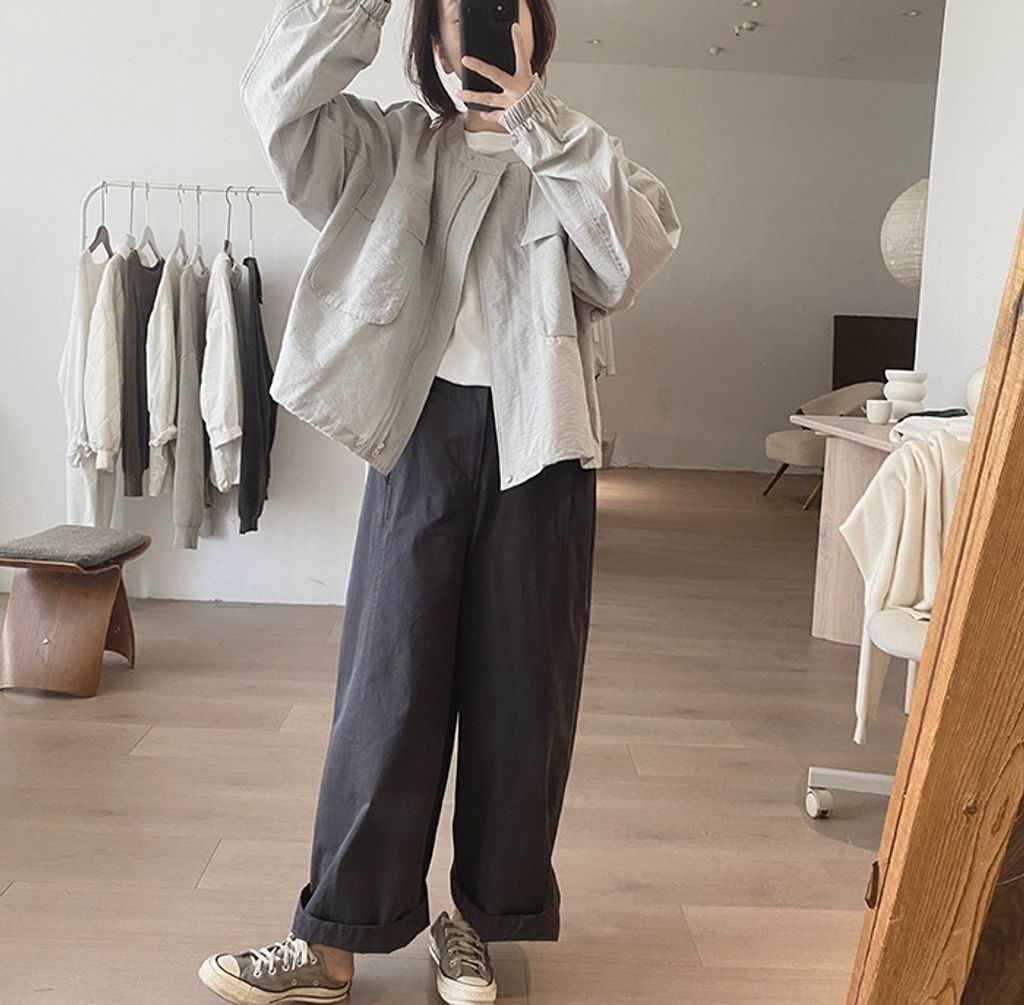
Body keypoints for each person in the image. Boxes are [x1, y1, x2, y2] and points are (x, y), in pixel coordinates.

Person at [198, 0, 680, 1002]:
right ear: (429, 35)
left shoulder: (575, 154)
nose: (484, 25)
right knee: (387, 688)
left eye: (504, 7)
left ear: (533, 29)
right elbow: (277, 101)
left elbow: (632, 255)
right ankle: (333, 938)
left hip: (543, 446)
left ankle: (476, 925)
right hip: (420, 438)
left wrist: (538, 119)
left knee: (523, 696)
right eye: (462, 8)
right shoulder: (389, 147)